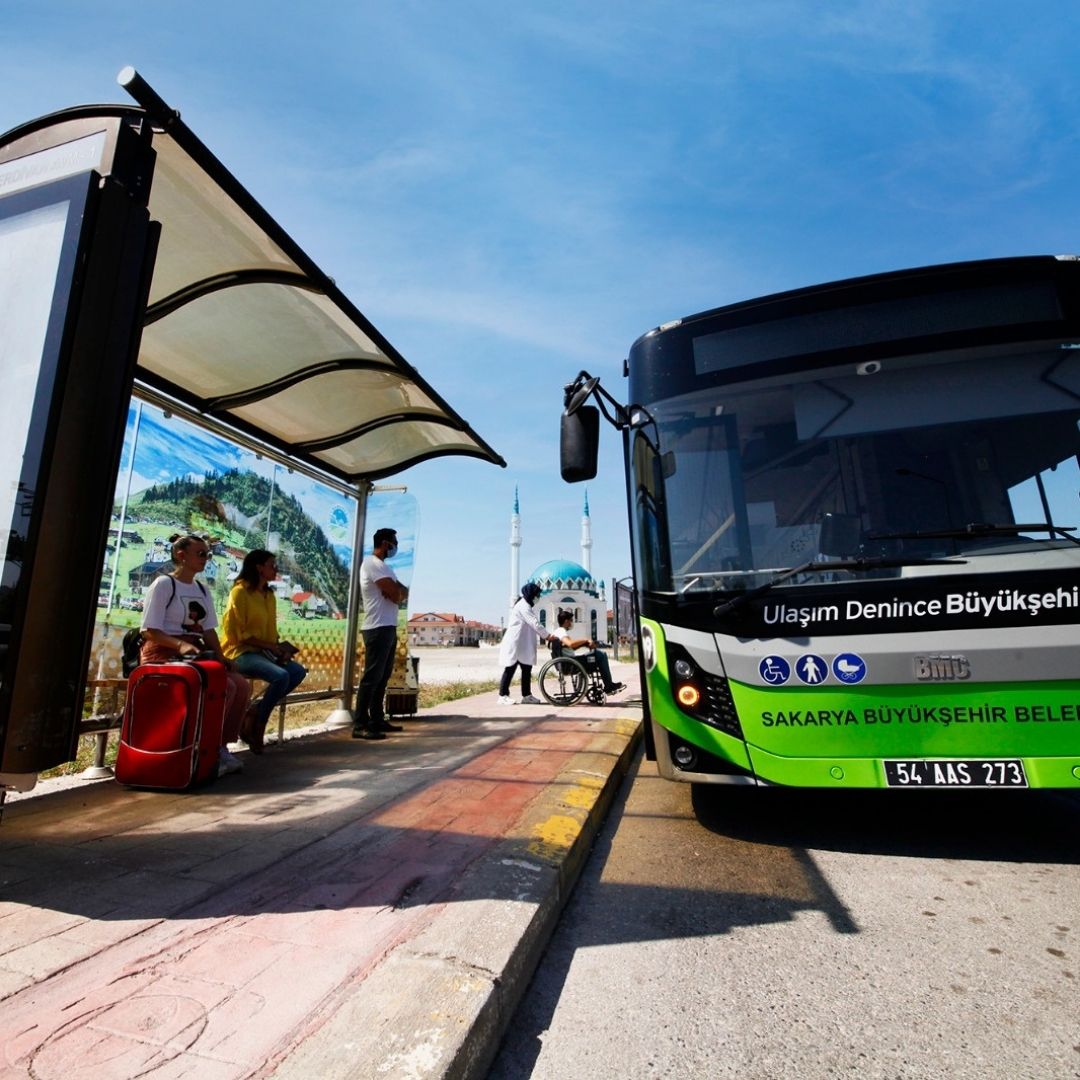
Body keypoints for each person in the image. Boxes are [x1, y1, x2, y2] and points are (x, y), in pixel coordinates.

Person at [139, 534, 251, 776]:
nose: (206, 559)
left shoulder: (201, 588)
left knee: (240, 685)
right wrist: (179, 645)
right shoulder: (163, 585)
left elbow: (208, 629)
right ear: (181, 555)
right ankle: (201, 747)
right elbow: (149, 631)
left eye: (207, 554)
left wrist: (221, 657)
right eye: (200, 554)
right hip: (163, 652)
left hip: (193, 653)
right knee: (225, 687)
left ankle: (219, 747)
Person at [220, 549, 307, 754]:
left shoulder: (269, 595)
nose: (275, 568)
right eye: (271, 564)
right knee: (281, 675)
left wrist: (280, 649)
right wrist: (270, 647)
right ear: (259, 567)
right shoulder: (240, 592)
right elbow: (237, 633)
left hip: (265, 652)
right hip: (240, 652)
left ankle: (255, 712)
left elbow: (270, 631)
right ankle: (259, 724)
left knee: (297, 671)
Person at [353, 527, 409, 740]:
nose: (395, 546)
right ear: (386, 543)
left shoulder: (385, 567)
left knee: (382, 677)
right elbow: (397, 594)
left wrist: (397, 591)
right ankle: (360, 724)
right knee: (372, 677)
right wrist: (396, 591)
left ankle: (376, 718)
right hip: (377, 628)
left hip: (388, 627)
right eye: (394, 542)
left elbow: (402, 591)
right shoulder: (372, 564)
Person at [498, 582, 554, 704]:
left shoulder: (527, 606)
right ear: (531, 594)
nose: (538, 597)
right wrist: (548, 636)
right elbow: (535, 624)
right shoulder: (523, 606)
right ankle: (502, 696)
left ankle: (526, 695)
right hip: (515, 643)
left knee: (526, 668)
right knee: (510, 668)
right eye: (537, 595)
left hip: (522, 645)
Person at [552, 609, 625, 695]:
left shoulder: (558, 632)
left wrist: (585, 644)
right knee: (601, 655)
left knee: (597, 654)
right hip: (571, 663)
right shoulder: (561, 631)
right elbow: (571, 644)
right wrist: (585, 640)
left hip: (569, 662)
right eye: (571, 621)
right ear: (566, 621)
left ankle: (608, 684)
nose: (572, 623)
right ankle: (608, 685)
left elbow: (571, 647)